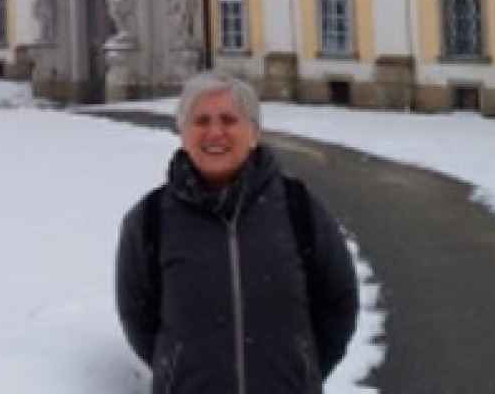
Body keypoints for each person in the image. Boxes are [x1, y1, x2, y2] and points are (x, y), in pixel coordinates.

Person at [116, 72, 359, 393]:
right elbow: (139, 319)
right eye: (201, 121)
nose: (215, 132)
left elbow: (337, 304)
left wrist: (301, 370)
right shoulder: (150, 220)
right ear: (183, 133)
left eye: (229, 120)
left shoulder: (297, 208)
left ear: (254, 133)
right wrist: (177, 370)